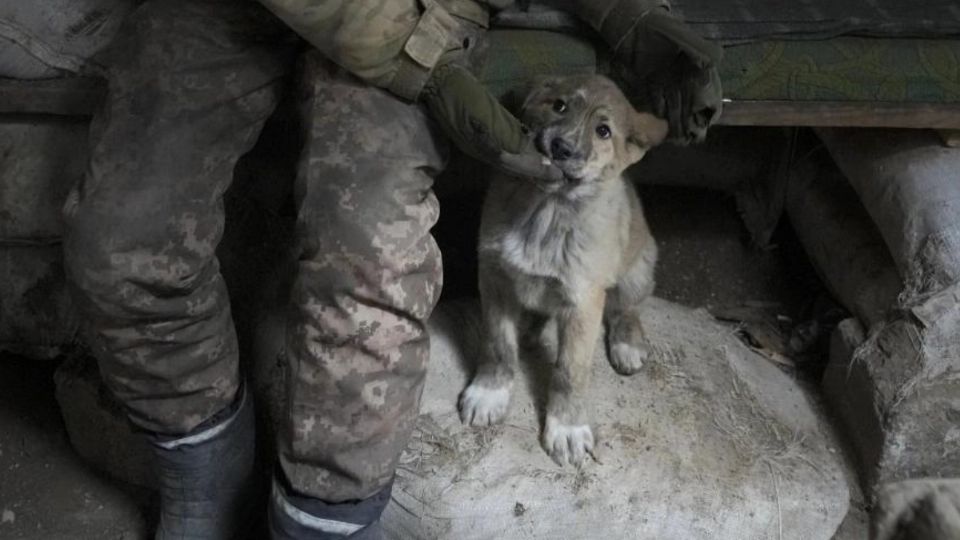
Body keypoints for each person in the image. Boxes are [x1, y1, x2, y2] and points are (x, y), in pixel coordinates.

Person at [61, 0, 721, 538]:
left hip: (421, 7)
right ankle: (206, 469)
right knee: (120, 245)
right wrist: (423, 63)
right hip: (251, 13)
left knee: (369, 273)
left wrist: (630, 17)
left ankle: (322, 522)